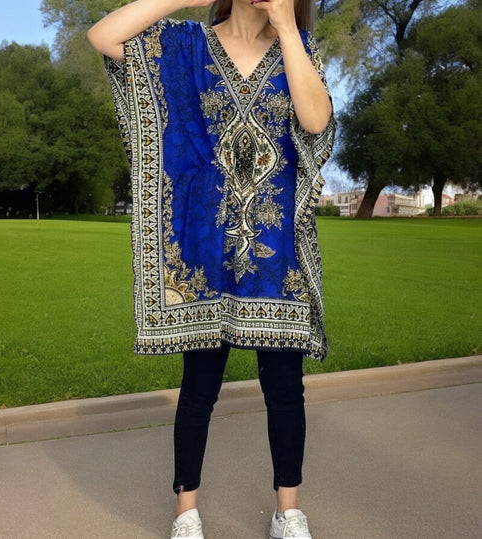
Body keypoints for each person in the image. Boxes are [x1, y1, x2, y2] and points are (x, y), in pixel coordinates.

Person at [88, 1, 335, 537]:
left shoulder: (299, 50)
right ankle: (187, 512)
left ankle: (288, 512)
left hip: (278, 252)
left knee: (285, 387)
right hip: (203, 250)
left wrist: (288, 27)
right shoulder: (184, 46)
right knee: (199, 386)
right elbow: (104, 36)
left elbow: (316, 121)